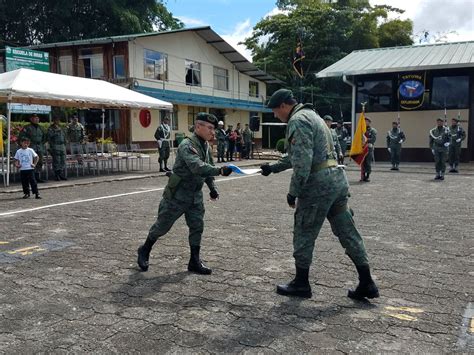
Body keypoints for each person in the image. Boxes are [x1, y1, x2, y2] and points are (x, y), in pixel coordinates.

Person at [259, 89, 379, 300]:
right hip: (336, 182)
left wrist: (293, 192)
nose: (276, 116)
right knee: (347, 230)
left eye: (276, 112)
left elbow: (303, 163)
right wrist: (273, 167)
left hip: (318, 186)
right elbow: (299, 155)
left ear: (283, 106)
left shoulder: (297, 120)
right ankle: (367, 281)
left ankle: (301, 283)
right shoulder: (314, 117)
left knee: (304, 230)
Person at [137, 113, 233, 274]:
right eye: (209, 128)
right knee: (162, 226)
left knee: (197, 227)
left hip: (195, 196)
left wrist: (213, 188)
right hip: (177, 195)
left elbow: (207, 167)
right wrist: (220, 170)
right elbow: (198, 166)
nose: (212, 132)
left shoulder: (205, 146)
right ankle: (144, 249)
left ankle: (194, 261)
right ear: (198, 127)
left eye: (214, 129)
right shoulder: (187, 145)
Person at [18, 114, 46, 182]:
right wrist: (27, 143)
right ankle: (31, 178)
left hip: (39, 147)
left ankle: (37, 177)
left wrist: (42, 144)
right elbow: (22, 137)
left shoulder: (41, 128)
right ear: (31, 119)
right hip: (31, 147)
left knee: (39, 162)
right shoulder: (27, 127)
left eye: (37, 118)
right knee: (30, 162)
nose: (36, 119)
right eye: (35, 118)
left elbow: (44, 137)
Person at [361, 117, 377, 182]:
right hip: (362, 148)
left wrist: (366, 140)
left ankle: (367, 176)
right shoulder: (362, 130)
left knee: (368, 162)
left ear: (369, 122)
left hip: (369, 148)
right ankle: (363, 176)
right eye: (364, 121)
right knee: (363, 162)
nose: (365, 122)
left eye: (367, 121)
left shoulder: (373, 130)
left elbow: (373, 139)